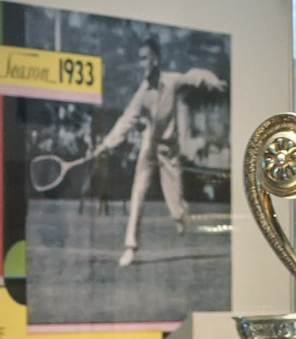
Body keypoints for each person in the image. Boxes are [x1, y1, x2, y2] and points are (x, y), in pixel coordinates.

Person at [85, 36, 226, 267]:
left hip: (170, 149)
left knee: (176, 208)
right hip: (149, 146)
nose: (142, 63)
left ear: (156, 60)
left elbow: (193, 76)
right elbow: (126, 121)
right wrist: (105, 145)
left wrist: (213, 81)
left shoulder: (172, 81)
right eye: (140, 59)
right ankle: (130, 247)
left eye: (146, 58)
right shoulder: (142, 94)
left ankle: (180, 214)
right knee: (138, 192)